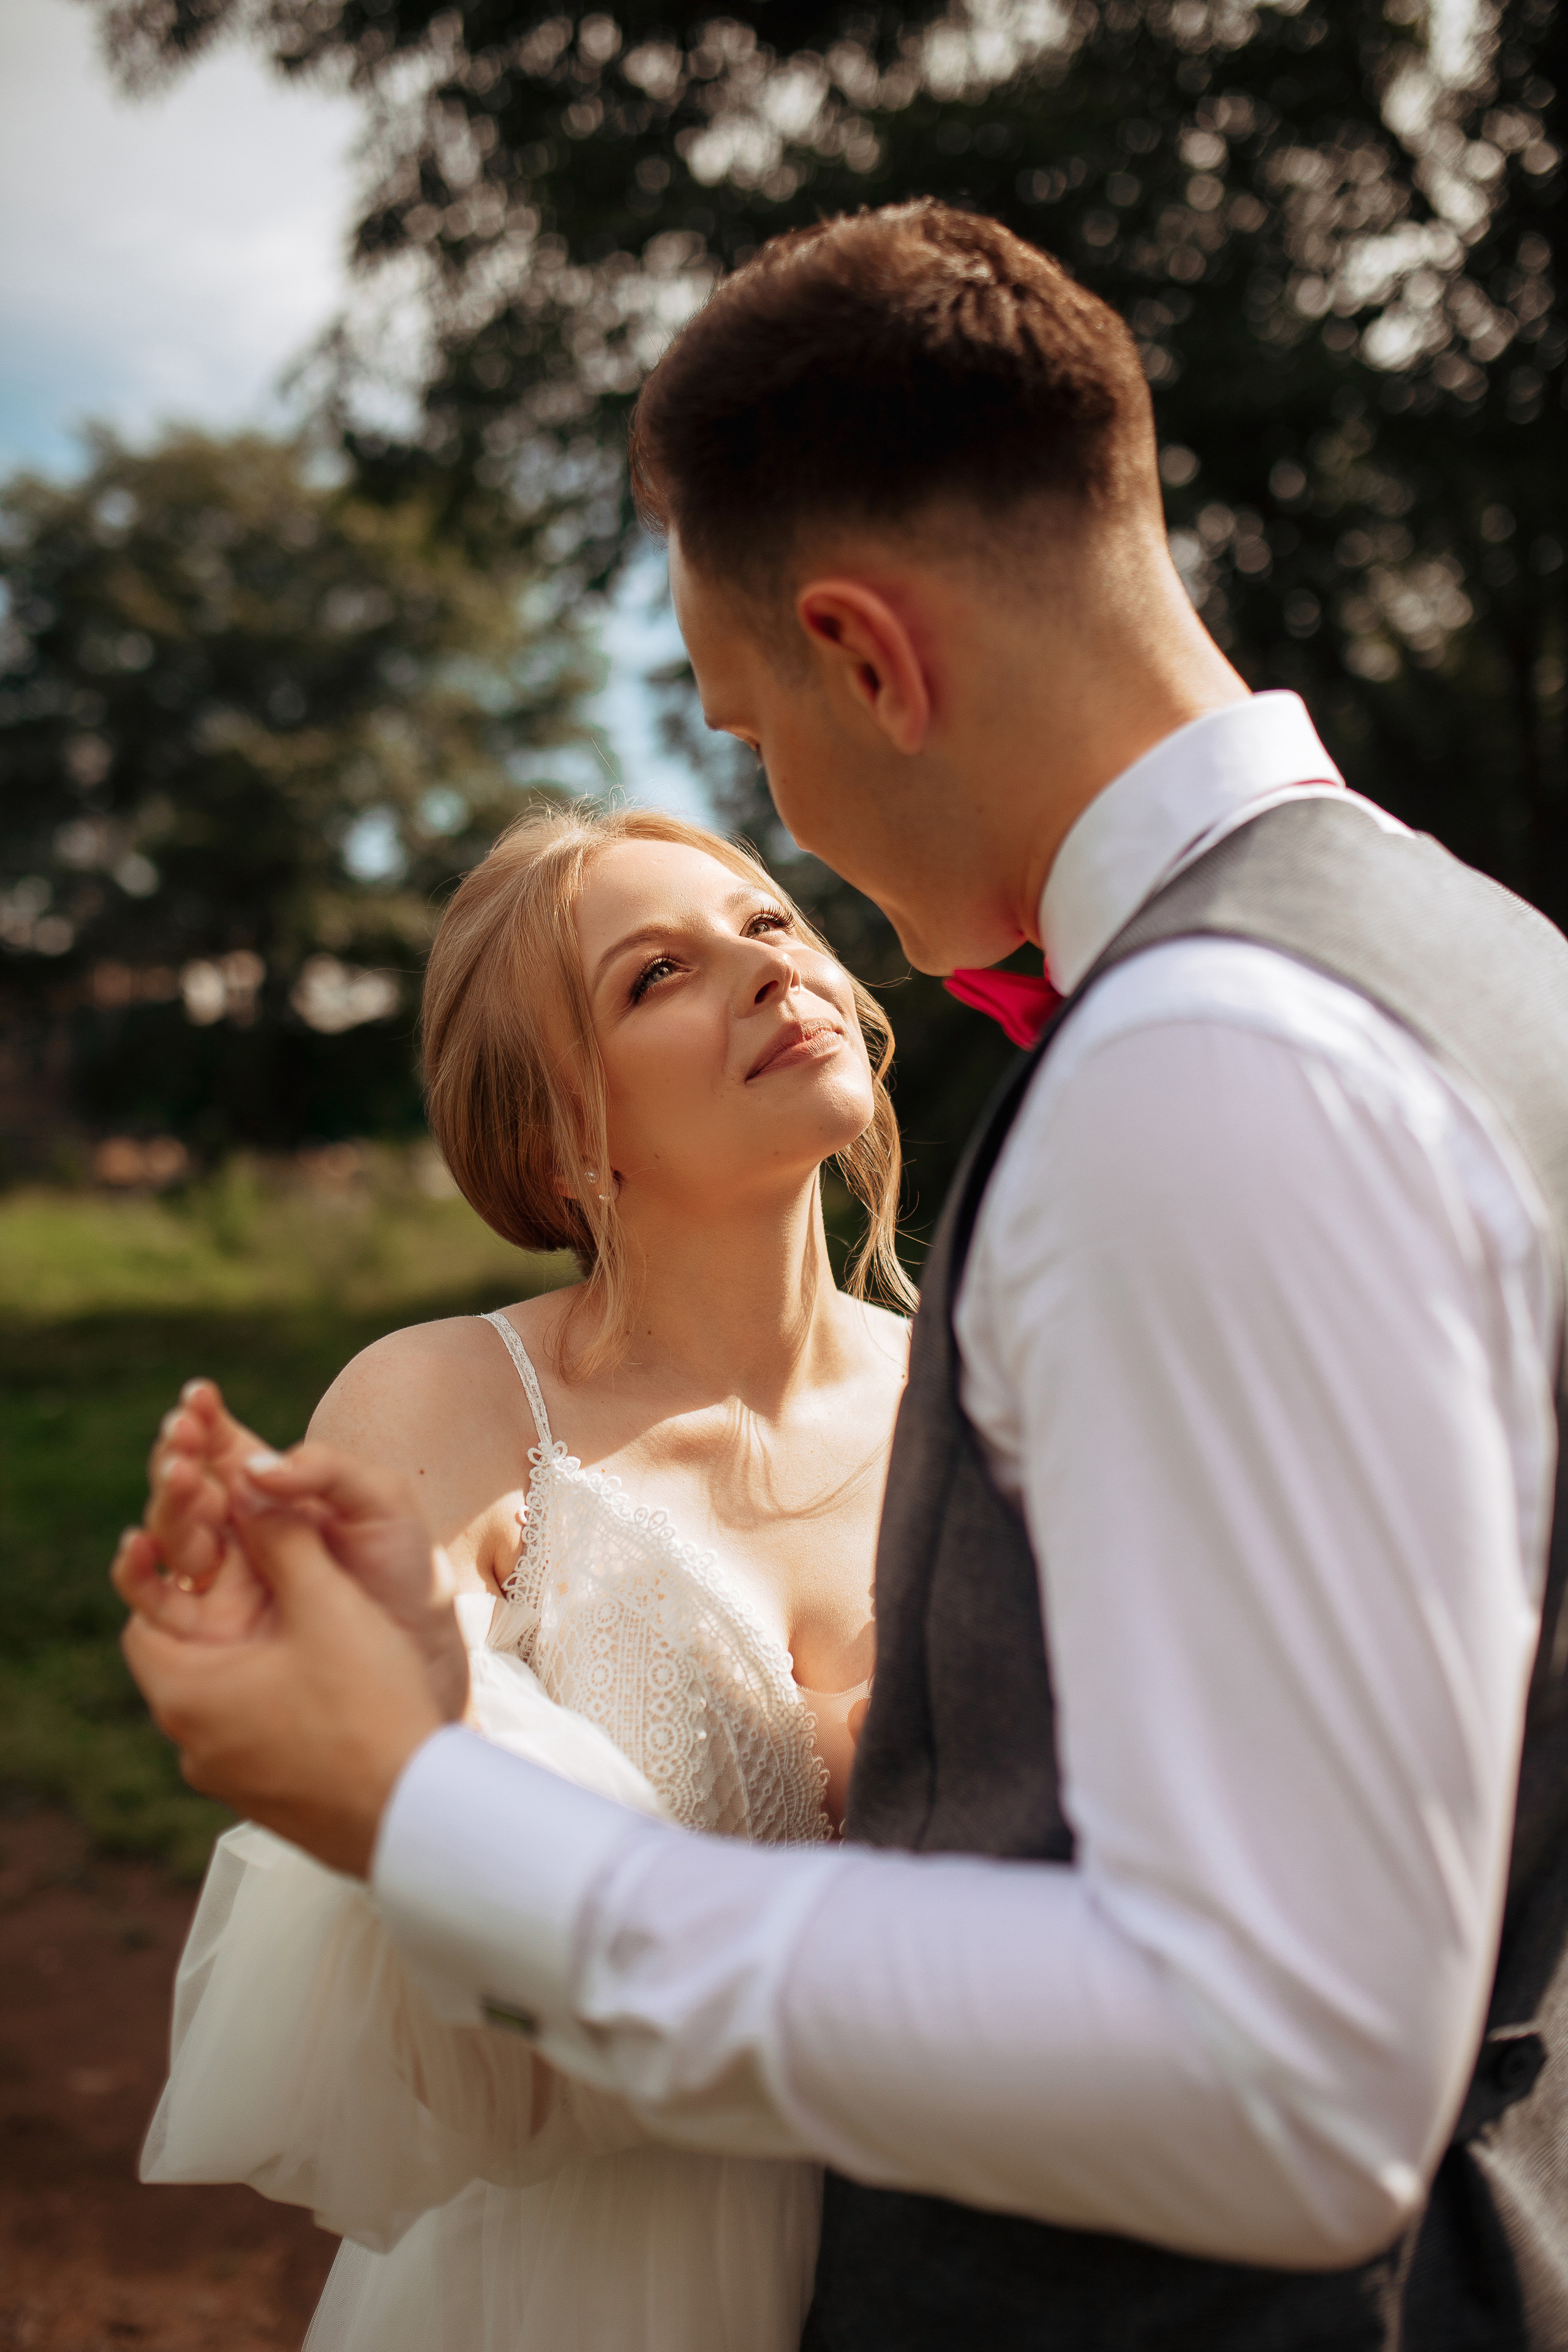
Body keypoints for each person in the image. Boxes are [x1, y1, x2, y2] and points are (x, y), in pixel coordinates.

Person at [119, 198, 1568, 2350]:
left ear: (868, 658)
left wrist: (426, 1808)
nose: (781, 826)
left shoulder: (1206, 1064)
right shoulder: (1490, 962)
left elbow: (1280, 2074)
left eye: (743, 725)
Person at [122, 802, 913, 2351]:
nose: (763, 973)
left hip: (969, 2240)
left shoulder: (991, 1391)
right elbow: (394, 1973)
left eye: (764, 925)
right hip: (597, 2286)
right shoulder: (449, 1410)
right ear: (562, 1138)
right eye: (654, 976)